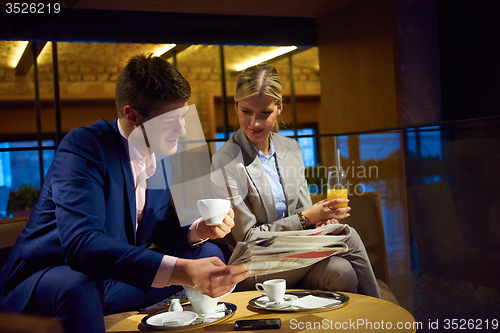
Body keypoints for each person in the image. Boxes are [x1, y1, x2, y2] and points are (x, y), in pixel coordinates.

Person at [0, 54, 250, 333]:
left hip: (110, 277)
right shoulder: (84, 146)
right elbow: (82, 244)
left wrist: (199, 229)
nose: (182, 130)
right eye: (170, 120)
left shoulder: (161, 155)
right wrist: (182, 271)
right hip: (52, 276)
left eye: (184, 116)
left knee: (209, 251)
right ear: (132, 115)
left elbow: (158, 226)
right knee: (80, 287)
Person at [211, 63, 381, 298]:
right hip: (254, 263)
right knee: (346, 235)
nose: (255, 123)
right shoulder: (225, 161)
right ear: (236, 107)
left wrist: (316, 223)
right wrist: (305, 219)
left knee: (342, 272)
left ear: (279, 108)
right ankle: (380, 315)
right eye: (246, 112)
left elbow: (302, 212)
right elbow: (249, 236)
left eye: (265, 113)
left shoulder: (291, 148)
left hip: (295, 252)